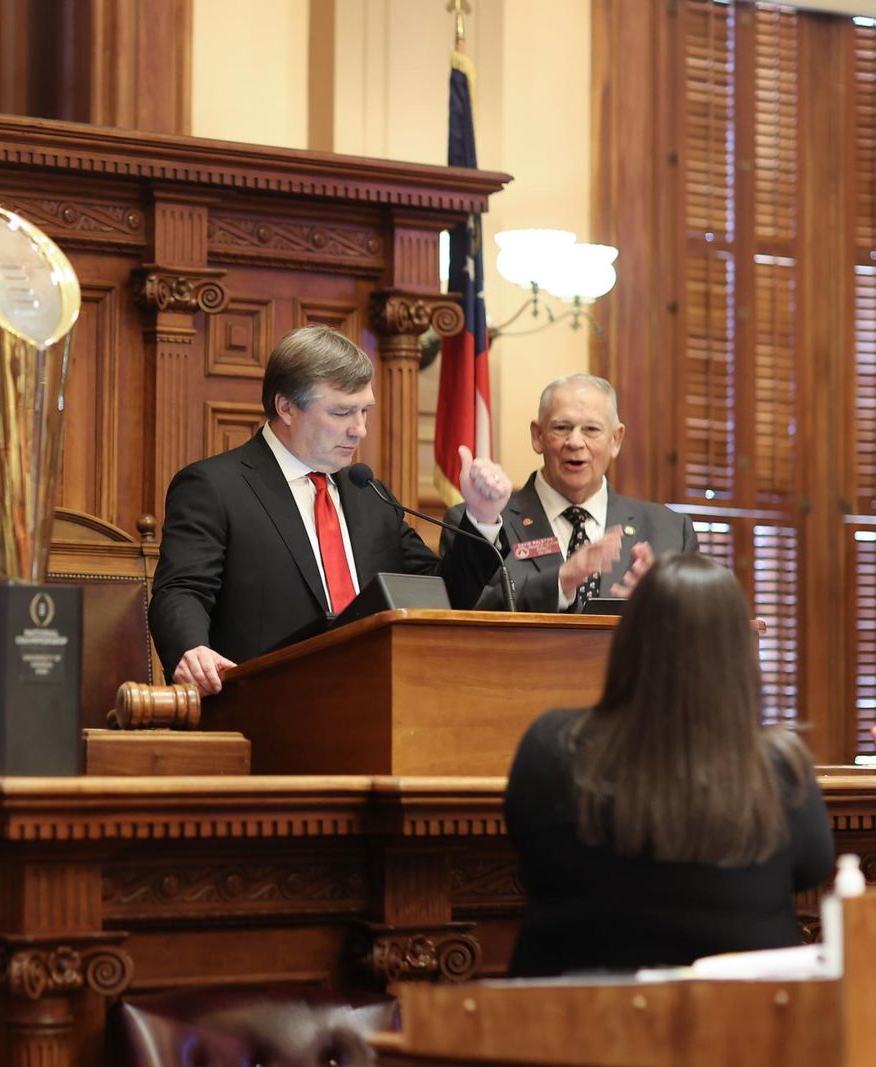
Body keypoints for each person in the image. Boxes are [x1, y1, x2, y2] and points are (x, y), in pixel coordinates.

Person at [504, 554, 834, 976]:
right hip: (737, 1029)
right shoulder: (780, 768)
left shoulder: (550, 744)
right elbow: (813, 868)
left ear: (629, 641)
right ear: (739, 653)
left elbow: (525, 844)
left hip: (571, 1030)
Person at [149, 324, 513, 695]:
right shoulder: (215, 487)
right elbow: (181, 590)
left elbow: (437, 595)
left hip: (380, 700)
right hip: (263, 706)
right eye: (342, 413)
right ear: (286, 407)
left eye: (364, 411)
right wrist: (191, 649)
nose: (360, 430)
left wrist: (481, 517)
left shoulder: (369, 494)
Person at [445, 374, 699, 611]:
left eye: (591, 429)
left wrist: (663, 602)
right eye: (562, 428)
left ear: (616, 439)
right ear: (538, 436)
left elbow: (697, 629)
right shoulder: (480, 524)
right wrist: (562, 580)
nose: (575, 442)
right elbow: (465, 608)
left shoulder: (670, 531)